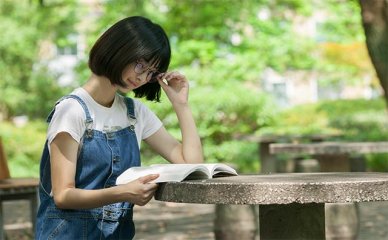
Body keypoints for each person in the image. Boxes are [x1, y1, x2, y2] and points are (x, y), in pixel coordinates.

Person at [35, 16, 203, 239]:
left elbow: (191, 165)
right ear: (119, 50)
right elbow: (63, 195)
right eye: (140, 65)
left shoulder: (134, 113)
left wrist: (181, 105)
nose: (143, 77)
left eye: (151, 72)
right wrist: (123, 192)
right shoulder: (71, 110)